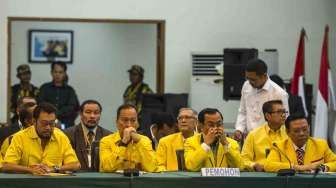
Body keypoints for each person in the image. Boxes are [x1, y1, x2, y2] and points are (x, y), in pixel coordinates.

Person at [2, 103, 80, 174]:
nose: (48, 128)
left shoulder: (61, 136)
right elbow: (7, 166)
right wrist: (30, 170)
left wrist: (53, 168)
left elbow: (75, 165)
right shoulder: (20, 137)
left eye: (52, 123)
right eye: (44, 123)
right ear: (34, 121)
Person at [233, 59, 288, 142]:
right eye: (248, 78)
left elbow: (283, 122)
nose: (250, 82)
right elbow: (243, 111)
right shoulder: (246, 86)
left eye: (253, 79)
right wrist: (239, 129)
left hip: (269, 141)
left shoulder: (279, 93)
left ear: (264, 76)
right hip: (248, 139)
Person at [265, 114, 336, 172]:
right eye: (296, 131)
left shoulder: (320, 144)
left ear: (309, 127)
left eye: (305, 129)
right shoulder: (279, 146)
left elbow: (334, 162)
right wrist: (298, 167)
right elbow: (268, 165)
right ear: (287, 132)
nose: (302, 133)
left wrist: (323, 168)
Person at [99, 104, 157, 172]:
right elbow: (106, 167)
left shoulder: (144, 140)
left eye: (133, 120)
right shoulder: (106, 141)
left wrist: (139, 142)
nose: (129, 125)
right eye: (125, 120)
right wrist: (123, 143)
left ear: (137, 123)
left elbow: (152, 168)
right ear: (117, 122)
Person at [241, 100, 288, 171]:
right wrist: (253, 165)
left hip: (284, 175)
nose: (283, 115)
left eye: (284, 112)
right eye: (279, 112)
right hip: (261, 175)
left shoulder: (289, 134)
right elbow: (243, 160)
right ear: (268, 116)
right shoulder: (254, 135)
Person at [64, 100, 111, 171]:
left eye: (96, 113)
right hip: (75, 178)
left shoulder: (108, 136)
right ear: (81, 114)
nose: (92, 116)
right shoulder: (68, 134)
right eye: (88, 112)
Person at [39, 61, 79, 128]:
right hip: (46, 123)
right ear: (51, 73)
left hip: (66, 124)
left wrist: (57, 116)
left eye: (60, 72)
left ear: (64, 74)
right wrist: (55, 120)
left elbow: (72, 108)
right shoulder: (44, 88)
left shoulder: (70, 90)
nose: (57, 74)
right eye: (55, 72)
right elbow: (41, 105)